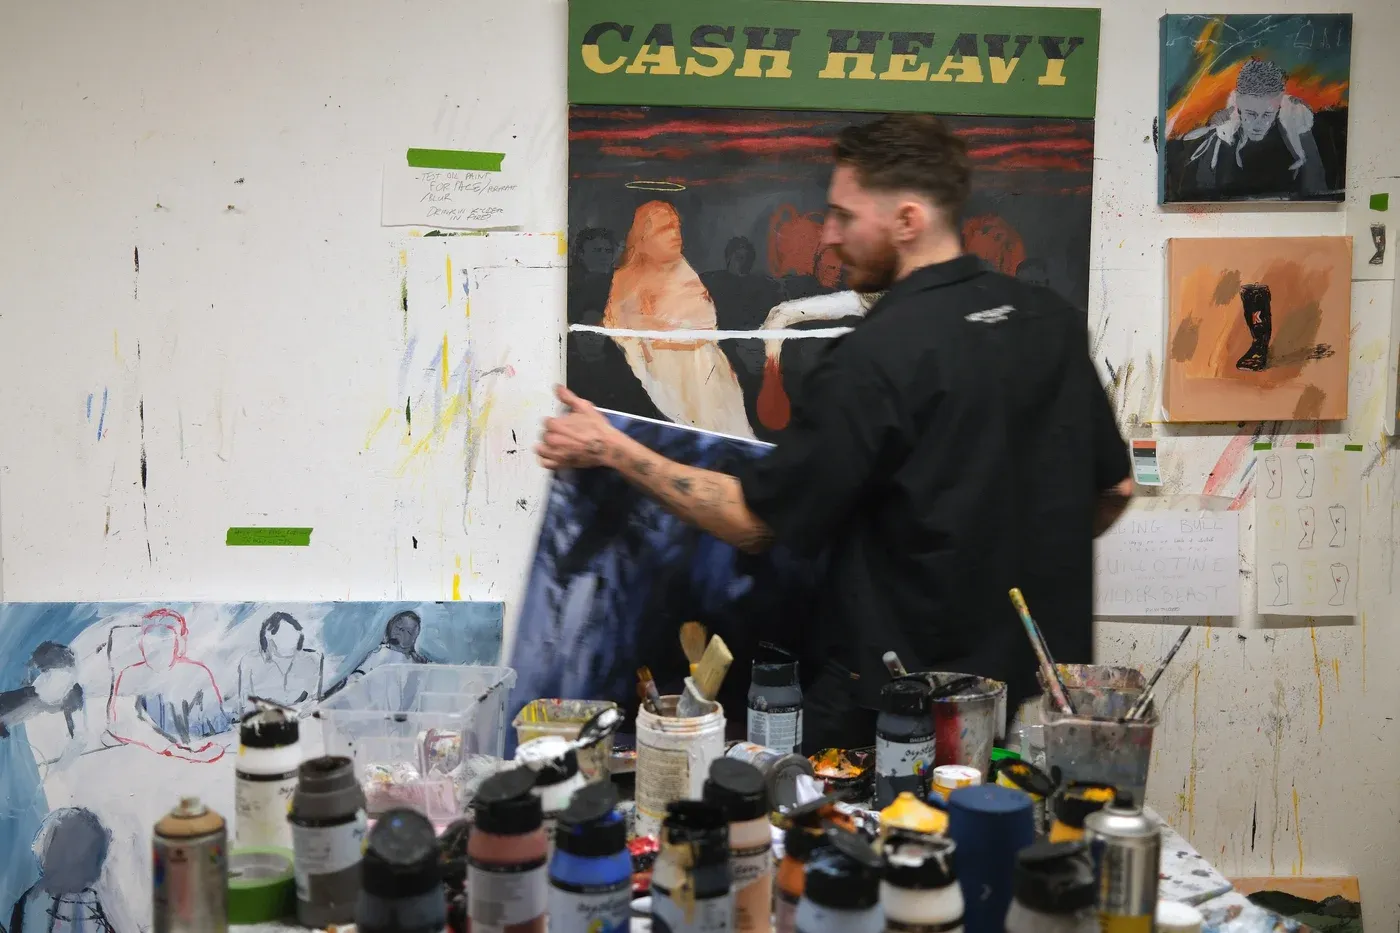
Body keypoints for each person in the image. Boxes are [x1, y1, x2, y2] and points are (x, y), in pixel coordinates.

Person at [536, 114, 1132, 752]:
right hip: (1034, 701)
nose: (828, 235)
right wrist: (999, 565)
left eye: (845, 216)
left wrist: (613, 448)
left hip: (897, 715)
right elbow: (1115, 488)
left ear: (907, 220)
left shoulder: (874, 356)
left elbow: (751, 519)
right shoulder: (1050, 321)